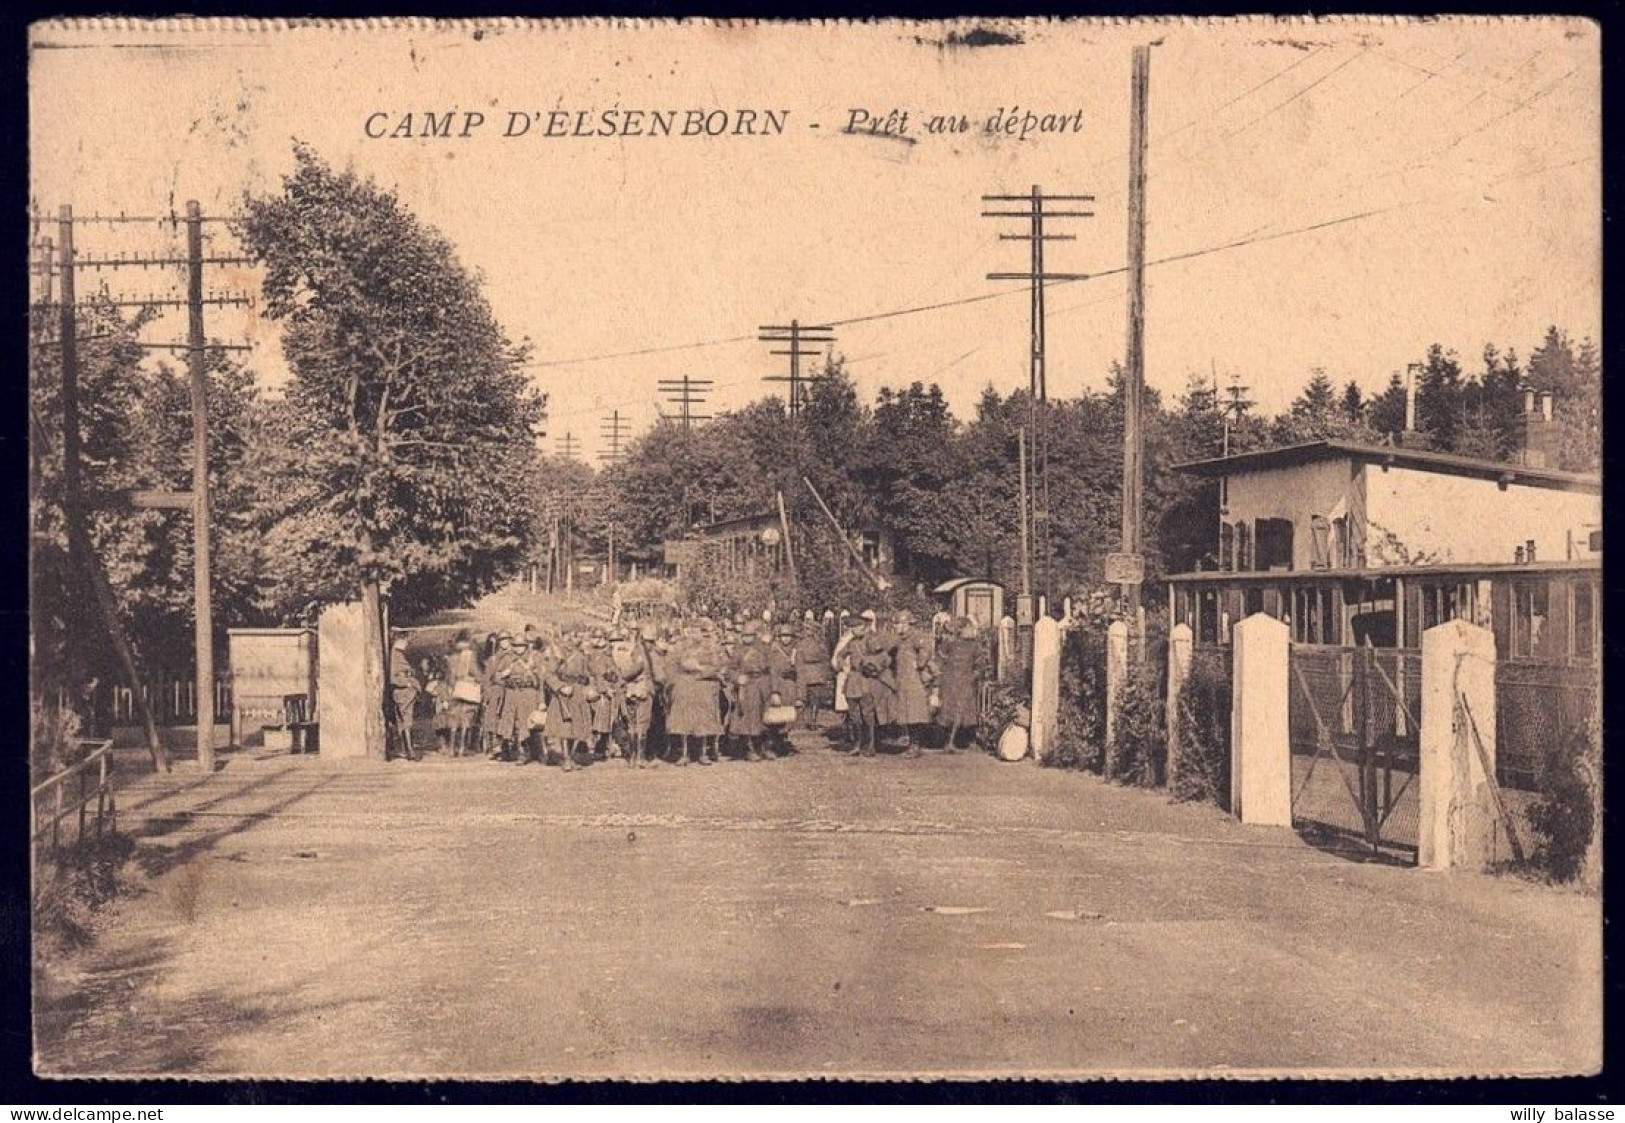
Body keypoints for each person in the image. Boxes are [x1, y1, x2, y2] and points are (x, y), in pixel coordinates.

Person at [935, 616, 984, 752]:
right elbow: (940, 661)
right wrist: (939, 677)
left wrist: (973, 676)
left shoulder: (974, 646)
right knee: (949, 711)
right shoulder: (949, 643)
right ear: (961, 629)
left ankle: (954, 741)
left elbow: (980, 665)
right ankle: (949, 741)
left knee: (962, 711)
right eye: (968, 627)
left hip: (964, 681)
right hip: (950, 681)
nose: (971, 630)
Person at [892, 610, 935, 758]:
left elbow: (926, 648)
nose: (895, 627)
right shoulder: (901, 639)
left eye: (898, 623)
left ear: (906, 623)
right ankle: (911, 744)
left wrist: (920, 662)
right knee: (906, 713)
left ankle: (915, 746)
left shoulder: (916, 636)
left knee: (914, 713)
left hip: (914, 680)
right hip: (903, 680)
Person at [546, 631, 591, 770]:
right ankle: (565, 759)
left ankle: (571, 757)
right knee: (565, 726)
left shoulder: (582, 656)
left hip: (578, 692)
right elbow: (548, 675)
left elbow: (587, 675)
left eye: (575, 637)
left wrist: (588, 689)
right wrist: (560, 687)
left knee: (576, 726)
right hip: (563, 693)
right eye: (568, 637)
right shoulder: (558, 656)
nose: (571, 640)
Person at [727, 625, 771, 761]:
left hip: (761, 684)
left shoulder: (763, 649)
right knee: (747, 719)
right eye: (745, 636)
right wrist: (737, 678)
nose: (747, 638)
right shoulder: (738, 652)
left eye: (750, 635)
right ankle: (749, 749)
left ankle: (763, 748)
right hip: (746, 687)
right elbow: (731, 670)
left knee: (763, 718)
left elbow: (770, 668)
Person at [444, 629, 482, 758]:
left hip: (454, 689)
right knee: (466, 719)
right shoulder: (469, 655)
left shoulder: (451, 656)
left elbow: (449, 675)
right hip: (467, 690)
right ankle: (461, 748)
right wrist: (480, 679)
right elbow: (474, 671)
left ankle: (451, 748)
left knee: (454, 720)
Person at [793, 619, 832, 730]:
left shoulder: (819, 644)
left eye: (809, 629)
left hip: (814, 673)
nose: (807, 631)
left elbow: (825, 659)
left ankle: (811, 720)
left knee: (814, 699)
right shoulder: (803, 643)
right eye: (806, 629)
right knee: (807, 698)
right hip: (808, 673)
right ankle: (806, 721)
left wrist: (825, 674)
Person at [388, 632, 421, 762]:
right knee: (407, 721)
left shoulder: (397, 655)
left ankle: (405, 749)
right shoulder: (396, 656)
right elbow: (394, 677)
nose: (407, 644)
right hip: (404, 692)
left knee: (403, 721)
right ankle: (409, 751)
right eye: (405, 641)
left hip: (404, 692)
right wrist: (408, 683)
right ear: (399, 641)